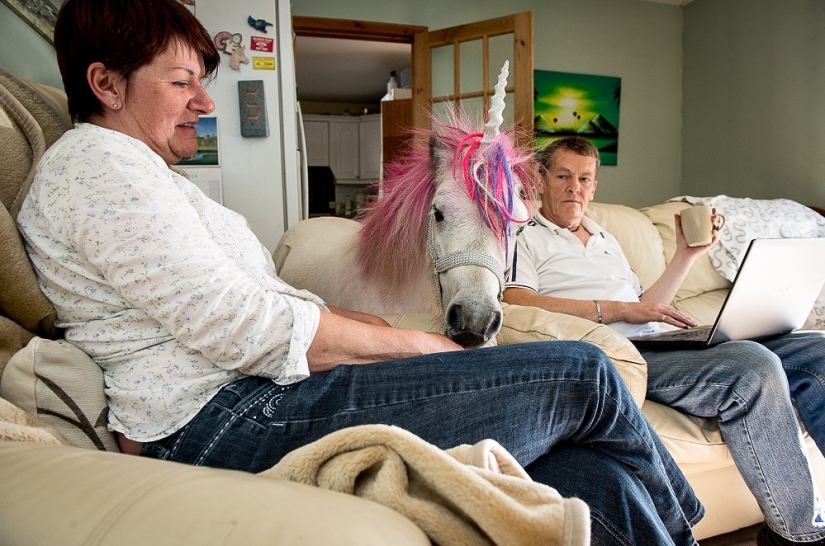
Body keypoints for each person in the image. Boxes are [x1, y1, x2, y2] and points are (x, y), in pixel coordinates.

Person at [15, 1, 704, 544]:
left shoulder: (148, 178)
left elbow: (250, 306)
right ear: (105, 83)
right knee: (584, 374)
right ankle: (691, 528)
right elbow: (242, 327)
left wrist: (362, 327)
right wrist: (419, 346)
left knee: (590, 477)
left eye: (203, 82)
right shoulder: (97, 168)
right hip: (226, 420)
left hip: (264, 393)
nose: (204, 102)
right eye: (181, 82)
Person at [504, 135, 825, 546]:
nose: (575, 188)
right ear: (541, 179)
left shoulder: (604, 236)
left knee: (815, 351)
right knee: (753, 366)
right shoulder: (524, 233)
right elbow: (518, 300)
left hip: (659, 339)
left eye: (585, 179)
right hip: (619, 355)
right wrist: (620, 310)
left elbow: (647, 307)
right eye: (563, 176)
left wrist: (686, 256)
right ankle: (798, 535)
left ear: (596, 185)